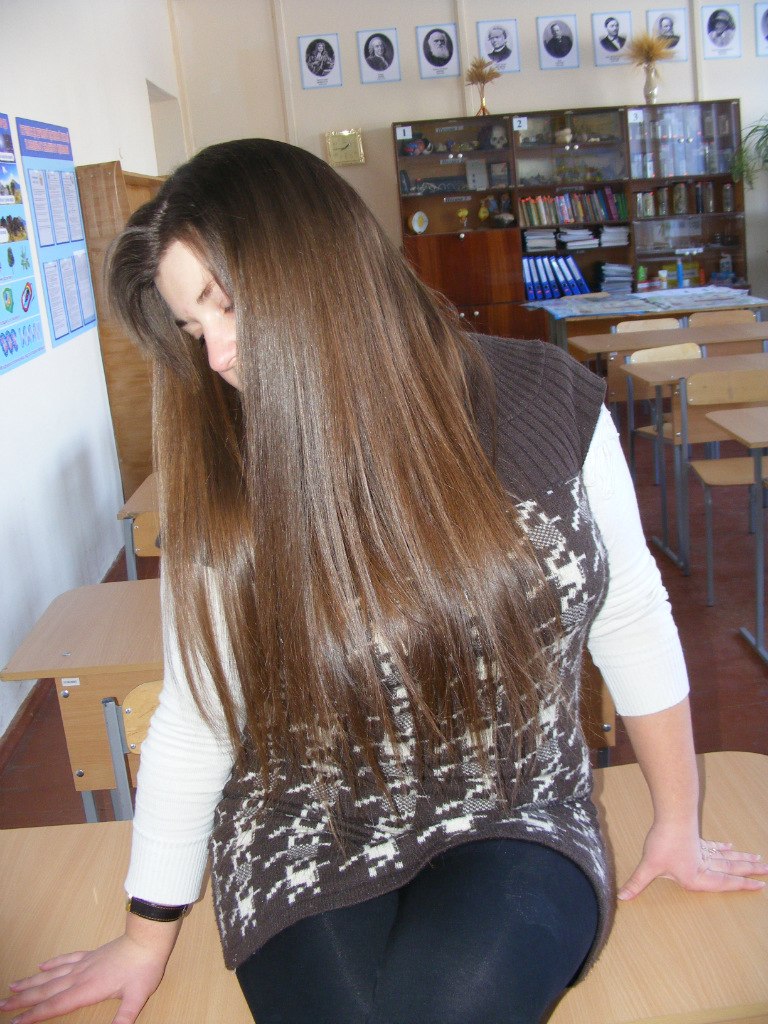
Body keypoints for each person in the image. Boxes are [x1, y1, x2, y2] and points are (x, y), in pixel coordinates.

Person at [2, 139, 766, 1024]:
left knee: (453, 1003)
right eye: (194, 327)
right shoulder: (227, 462)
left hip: (516, 803)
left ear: (324, 271)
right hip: (305, 815)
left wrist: (677, 822)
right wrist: (146, 934)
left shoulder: (546, 402)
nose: (217, 355)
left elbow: (628, 614)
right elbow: (200, 713)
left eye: (228, 305)